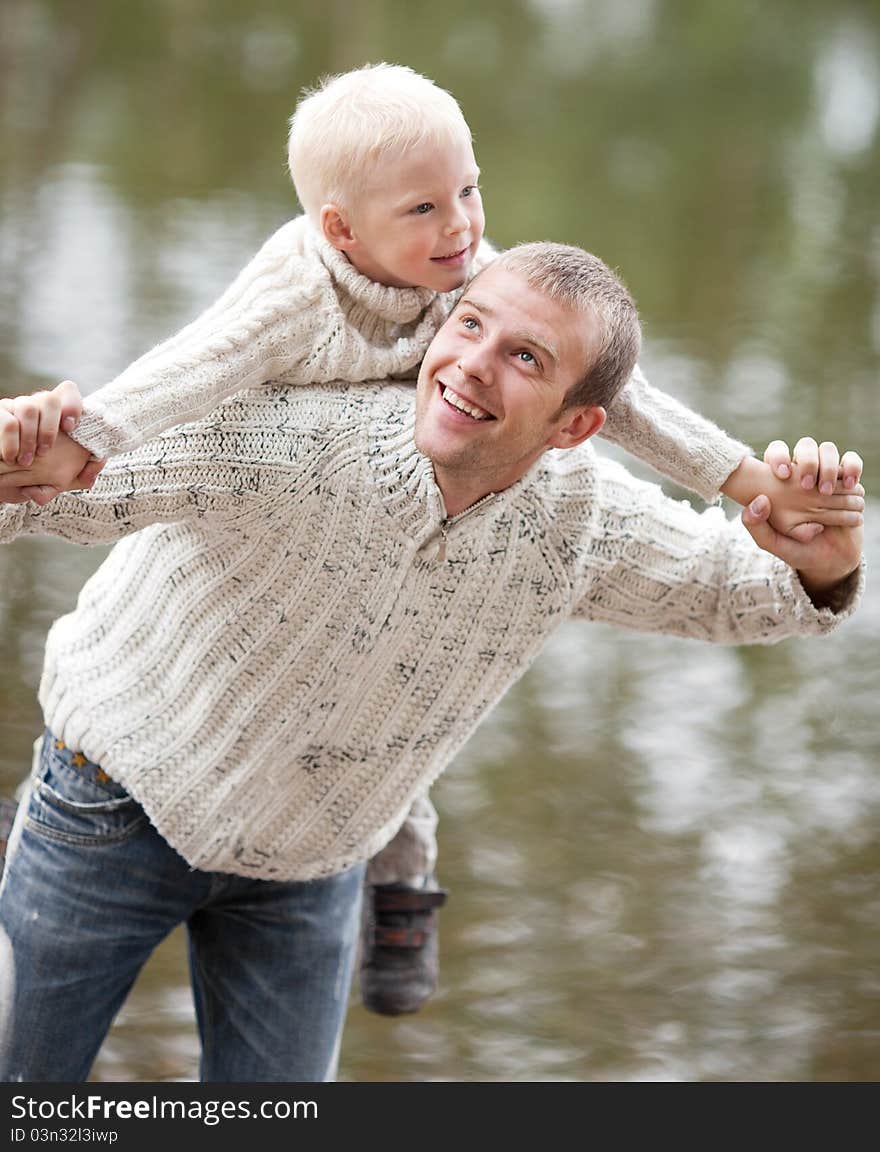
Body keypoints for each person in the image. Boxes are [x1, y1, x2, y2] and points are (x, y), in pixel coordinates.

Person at [0, 62, 863, 1019]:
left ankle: (403, 877)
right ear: (345, 230)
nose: (457, 229)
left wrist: (810, 547)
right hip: (119, 796)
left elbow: (709, 563)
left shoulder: (561, 478)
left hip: (312, 855)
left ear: (579, 424)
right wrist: (61, 441)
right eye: (469, 327)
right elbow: (148, 412)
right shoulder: (289, 379)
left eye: (524, 357)